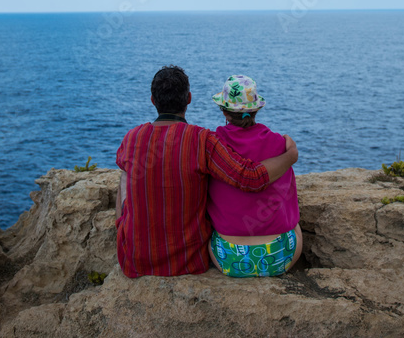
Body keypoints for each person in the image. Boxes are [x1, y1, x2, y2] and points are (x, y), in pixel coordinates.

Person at [115, 65, 299, 278]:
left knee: (125, 174)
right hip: (188, 261)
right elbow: (249, 177)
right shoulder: (202, 140)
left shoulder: (131, 138)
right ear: (189, 99)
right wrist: (291, 155)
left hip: (133, 258)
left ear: (153, 100)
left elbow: (127, 166)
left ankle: (125, 230)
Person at [206, 75, 302, 277]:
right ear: (257, 109)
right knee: (295, 225)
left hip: (229, 258)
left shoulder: (213, 144)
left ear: (223, 110)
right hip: (279, 256)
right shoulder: (279, 143)